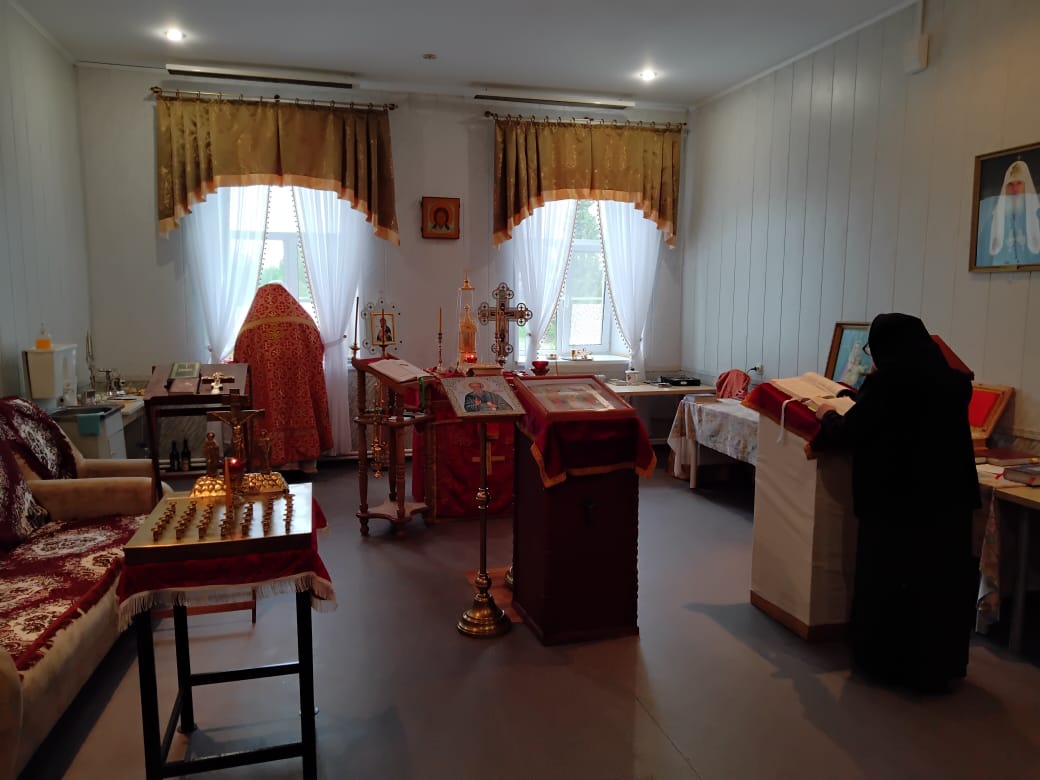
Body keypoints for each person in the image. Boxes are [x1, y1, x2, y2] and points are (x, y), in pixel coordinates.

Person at [814, 313, 980, 693]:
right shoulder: (955, 383)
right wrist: (857, 400)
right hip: (948, 504)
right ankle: (940, 666)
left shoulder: (889, 383)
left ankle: (891, 667)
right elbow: (904, 418)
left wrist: (827, 415)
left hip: (898, 505)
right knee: (940, 586)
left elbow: (853, 432)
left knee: (893, 583)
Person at [233, 283, 333, 473]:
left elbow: (240, 353)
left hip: (266, 382)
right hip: (298, 380)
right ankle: (305, 463)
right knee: (300, 408)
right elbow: (316, 345)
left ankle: (272, 461)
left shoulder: (251, 325)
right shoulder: (301, 320)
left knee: (270, 413)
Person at [987, 159, 1040, 264]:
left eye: (1019, 183)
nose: (1015, 189)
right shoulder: (995, 217)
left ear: (1026, 186)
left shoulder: (1036, 215)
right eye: (1010, 184)